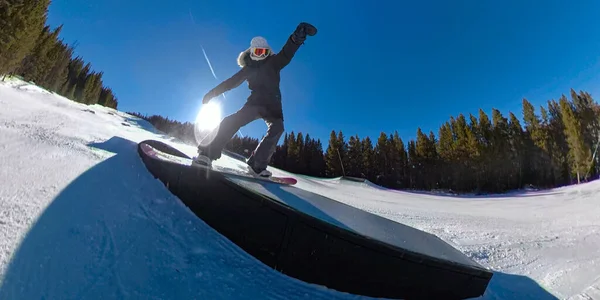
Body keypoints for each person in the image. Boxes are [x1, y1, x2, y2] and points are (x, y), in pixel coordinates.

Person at [194, 22, 317, 177]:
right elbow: (230, 83)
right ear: (251, 53)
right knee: (233, 120)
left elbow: (287, 53)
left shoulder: (274, 63)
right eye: (257, 52)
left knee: (277, 129)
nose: (260, 55)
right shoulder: (249, 69)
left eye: (263, 52)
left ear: (267, 53)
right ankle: (207, 153)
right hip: (255, 103)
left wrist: (296, 38)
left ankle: (256, 164)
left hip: (273, 105)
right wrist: (212, 93)